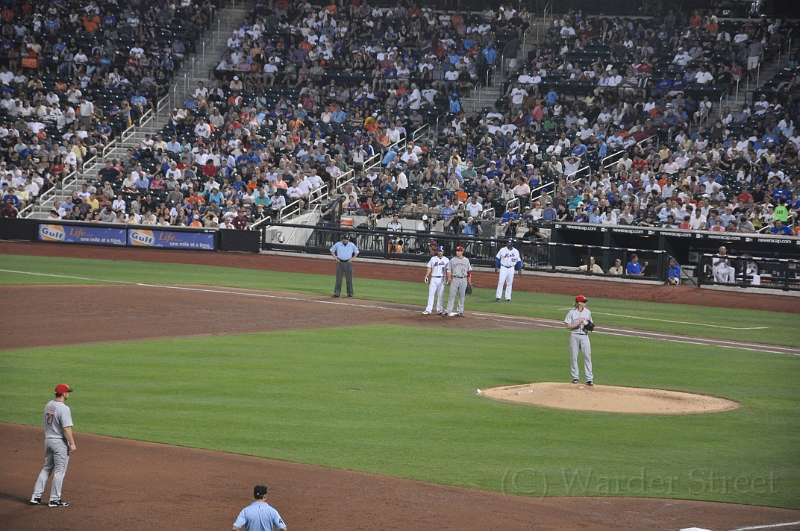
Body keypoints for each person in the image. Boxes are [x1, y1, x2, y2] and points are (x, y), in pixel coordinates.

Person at [30, 383, 76, 507]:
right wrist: (72, 443)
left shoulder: (48, 405)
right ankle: (54, 499)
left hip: (48, 441)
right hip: (59, 443)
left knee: (47, 468)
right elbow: (66, 429)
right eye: (68, 392)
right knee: (60, 471)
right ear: (64, 394)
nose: (68, 394)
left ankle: (36, 496)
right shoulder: (64, 408)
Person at [564, 295, 593, 386]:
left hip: (584, 336)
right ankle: (575, 377)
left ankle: (589, 379)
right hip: (574, 336)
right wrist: (578, 324)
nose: (585, 303)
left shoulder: (587, 312)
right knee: (574, 357)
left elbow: (591, 324)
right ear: (579, 303)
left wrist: (589, 325)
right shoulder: (571, 313)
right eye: (584, 301)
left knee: (587, 357)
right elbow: (568, 326)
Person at [443, 246, 472, 317]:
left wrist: (469, 282)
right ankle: (448, 311)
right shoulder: (452, 260)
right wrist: (449, 277)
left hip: (463, 279)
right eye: (456, 251)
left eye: (459, 251)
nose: (457, 252)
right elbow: (449, 270)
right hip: (455, 279)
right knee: (451, 295)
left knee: (462, 296)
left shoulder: (466, 260)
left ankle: (460, 311)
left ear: (462, 252)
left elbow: (469, 272)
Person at [423, 246, 449, 315]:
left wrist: (447, 278)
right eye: (439, 251)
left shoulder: (446, 260)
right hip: (433, 278)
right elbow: (429, 268)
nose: (440, 252)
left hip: (442, 278)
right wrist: (426, 276)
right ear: (437, 251)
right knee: (431, 294)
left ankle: (439, 310)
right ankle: (428, 310)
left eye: (441, 251)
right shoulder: (433, 259)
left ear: (443, 252)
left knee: (440, 295)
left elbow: (448, 270)